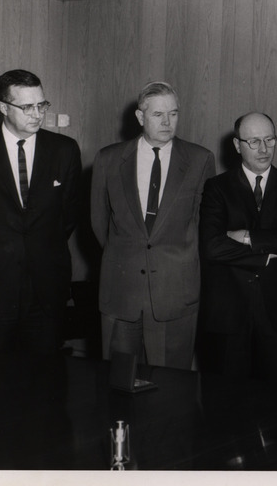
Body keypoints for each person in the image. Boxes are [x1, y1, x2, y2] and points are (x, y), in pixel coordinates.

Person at [91, 81, 215, 369]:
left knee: (171, 391)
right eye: (158, 114)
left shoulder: (200, 159)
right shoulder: (108, 159)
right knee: (119, 385)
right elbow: (99, 223)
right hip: (122, 291)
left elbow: (202, 225)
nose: (167, 122)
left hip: (175, 293)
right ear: (139, 117)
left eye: (173, 113)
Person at [198, 112, 277, 386]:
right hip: (228, 315)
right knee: (224, 407)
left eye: (269, 139)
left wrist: (247, 237)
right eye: (254, 141)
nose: (263, 149)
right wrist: (267, 253)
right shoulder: (216, 188)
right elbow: (212, 246)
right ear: (237, 145)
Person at [0, 69, 82, 355]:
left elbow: (68, 216)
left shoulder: (64, 150)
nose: (37, 114)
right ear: (2, 107)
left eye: (42, 105)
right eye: (27, 107)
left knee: (45, 381)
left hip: (46, 291)